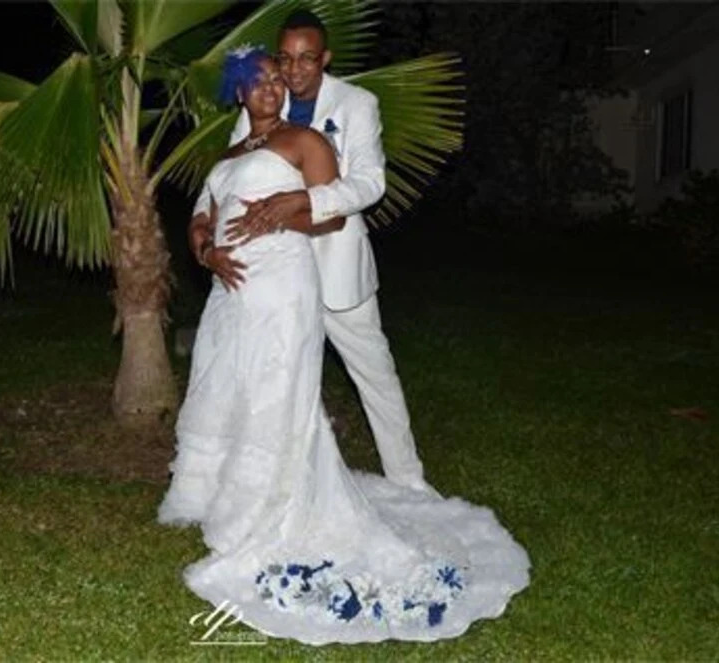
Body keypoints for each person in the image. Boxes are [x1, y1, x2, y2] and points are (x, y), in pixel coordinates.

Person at [158, 46, 530, 645]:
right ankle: (213, 490)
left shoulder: (306, 141)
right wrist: (206, 251)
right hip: (231, 292)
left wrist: (283, 214)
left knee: (280, 387)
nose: (270, 88)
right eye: (257, 81)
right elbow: (205, 212)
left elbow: (332, 215)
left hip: (283, 283)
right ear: (239, 93)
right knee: (223, 382)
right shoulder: (230, 152)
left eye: (276, 80)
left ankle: (269, 504)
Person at [189, 9, 429, 492]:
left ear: (325, 59)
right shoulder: (257, 105)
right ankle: (281, 478)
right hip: (271, 274)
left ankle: (409, 481)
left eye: (306, 59)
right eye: (286, 58)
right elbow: (227, 178)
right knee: (273, 375)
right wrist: (202, 231)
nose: (294, 70)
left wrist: (303, 201)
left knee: (374, 373)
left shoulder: (356, 104)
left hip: (335, 263)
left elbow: (369, 182)